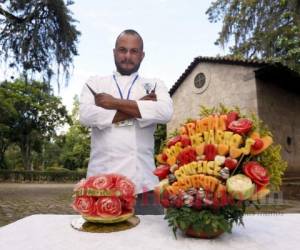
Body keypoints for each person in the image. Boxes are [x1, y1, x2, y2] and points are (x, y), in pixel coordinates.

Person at [79, 29, 173, 214]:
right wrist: (141, 107)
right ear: (114, 52)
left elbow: (165, 112)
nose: (127, 56)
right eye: (122, 50)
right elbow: (86, 115)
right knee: (100, 242)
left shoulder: (155, 84)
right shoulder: (95, 83)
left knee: (150, 241)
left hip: (144, 185)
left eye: (134, 51)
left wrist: (112, 103)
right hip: (101, 184)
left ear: (142, 55)